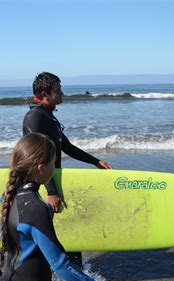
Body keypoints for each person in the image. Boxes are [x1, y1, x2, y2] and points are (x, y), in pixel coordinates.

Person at [0, 133, 114, 281]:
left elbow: (0, 235)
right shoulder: (36, 208)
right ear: (40, 168)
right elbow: (60, 263)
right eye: (53, 162)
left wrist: (35, 231)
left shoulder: (9, 196)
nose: (55, 167)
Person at [23, 72, 112, 268]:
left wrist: (96, 162)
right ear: (45, 93)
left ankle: (74, 273)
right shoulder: (34, 118)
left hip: (51, 179)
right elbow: (37, 158)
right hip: (39, 186)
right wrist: (51, 191)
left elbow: (67, 147)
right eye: (58, 90)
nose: (62, 93)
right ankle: (54, 273)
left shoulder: (47, 116)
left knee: (66, 229)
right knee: (46, 232)